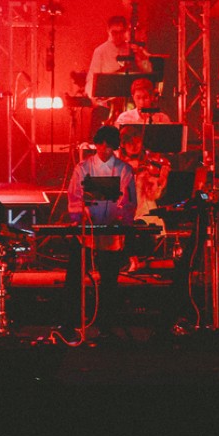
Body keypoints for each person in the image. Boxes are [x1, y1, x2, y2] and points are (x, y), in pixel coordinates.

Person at [63, 125, 137, 333]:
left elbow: (130, 201)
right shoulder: (83, 168)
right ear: (96, 145)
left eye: (109, 147)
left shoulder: (124, 169)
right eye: (101, 146)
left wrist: (121, 217)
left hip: (111, 230)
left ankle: (106, 324)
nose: (105, 151)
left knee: (109, 279)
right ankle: (71, 322)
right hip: (86, 229)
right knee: (75, 277)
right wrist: (81, 215)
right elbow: (74, 195)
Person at [84, 14, 152, 103]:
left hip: (130, 99)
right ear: (108, 31)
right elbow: (91, 81)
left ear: (125, 31)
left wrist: (142, 57)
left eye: (121, 32)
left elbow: (148, 71)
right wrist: (97, 97)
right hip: (108, 101)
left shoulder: (132, 49)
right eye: (114, 33)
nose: (118, 36)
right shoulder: (100, 51)